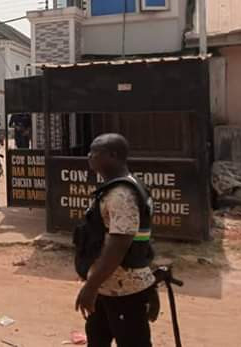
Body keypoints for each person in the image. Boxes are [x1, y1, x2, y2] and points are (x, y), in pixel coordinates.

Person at [74, 133, 159, 347]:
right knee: (97, 337)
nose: (89, 156)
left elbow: (119, 246)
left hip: (124, 289)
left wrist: (90, 287)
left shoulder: (122, 195)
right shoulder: (118, 187)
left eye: (95, 152)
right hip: (108, 285)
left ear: (112, 155)